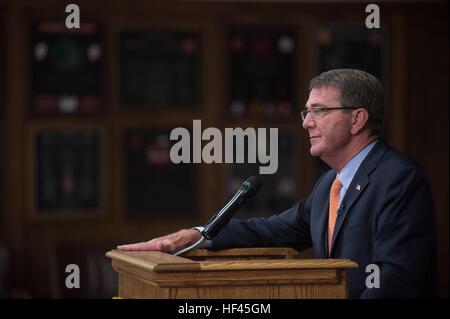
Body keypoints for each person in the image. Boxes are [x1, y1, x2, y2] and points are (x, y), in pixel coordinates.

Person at [118, 69, 439, 299]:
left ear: (357, 119)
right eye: (306, 111)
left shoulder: (398, 178)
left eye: (319, 111)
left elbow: (395, 281)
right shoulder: (330, 183)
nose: (306, 122)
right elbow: (270, 230)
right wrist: (199, 235)